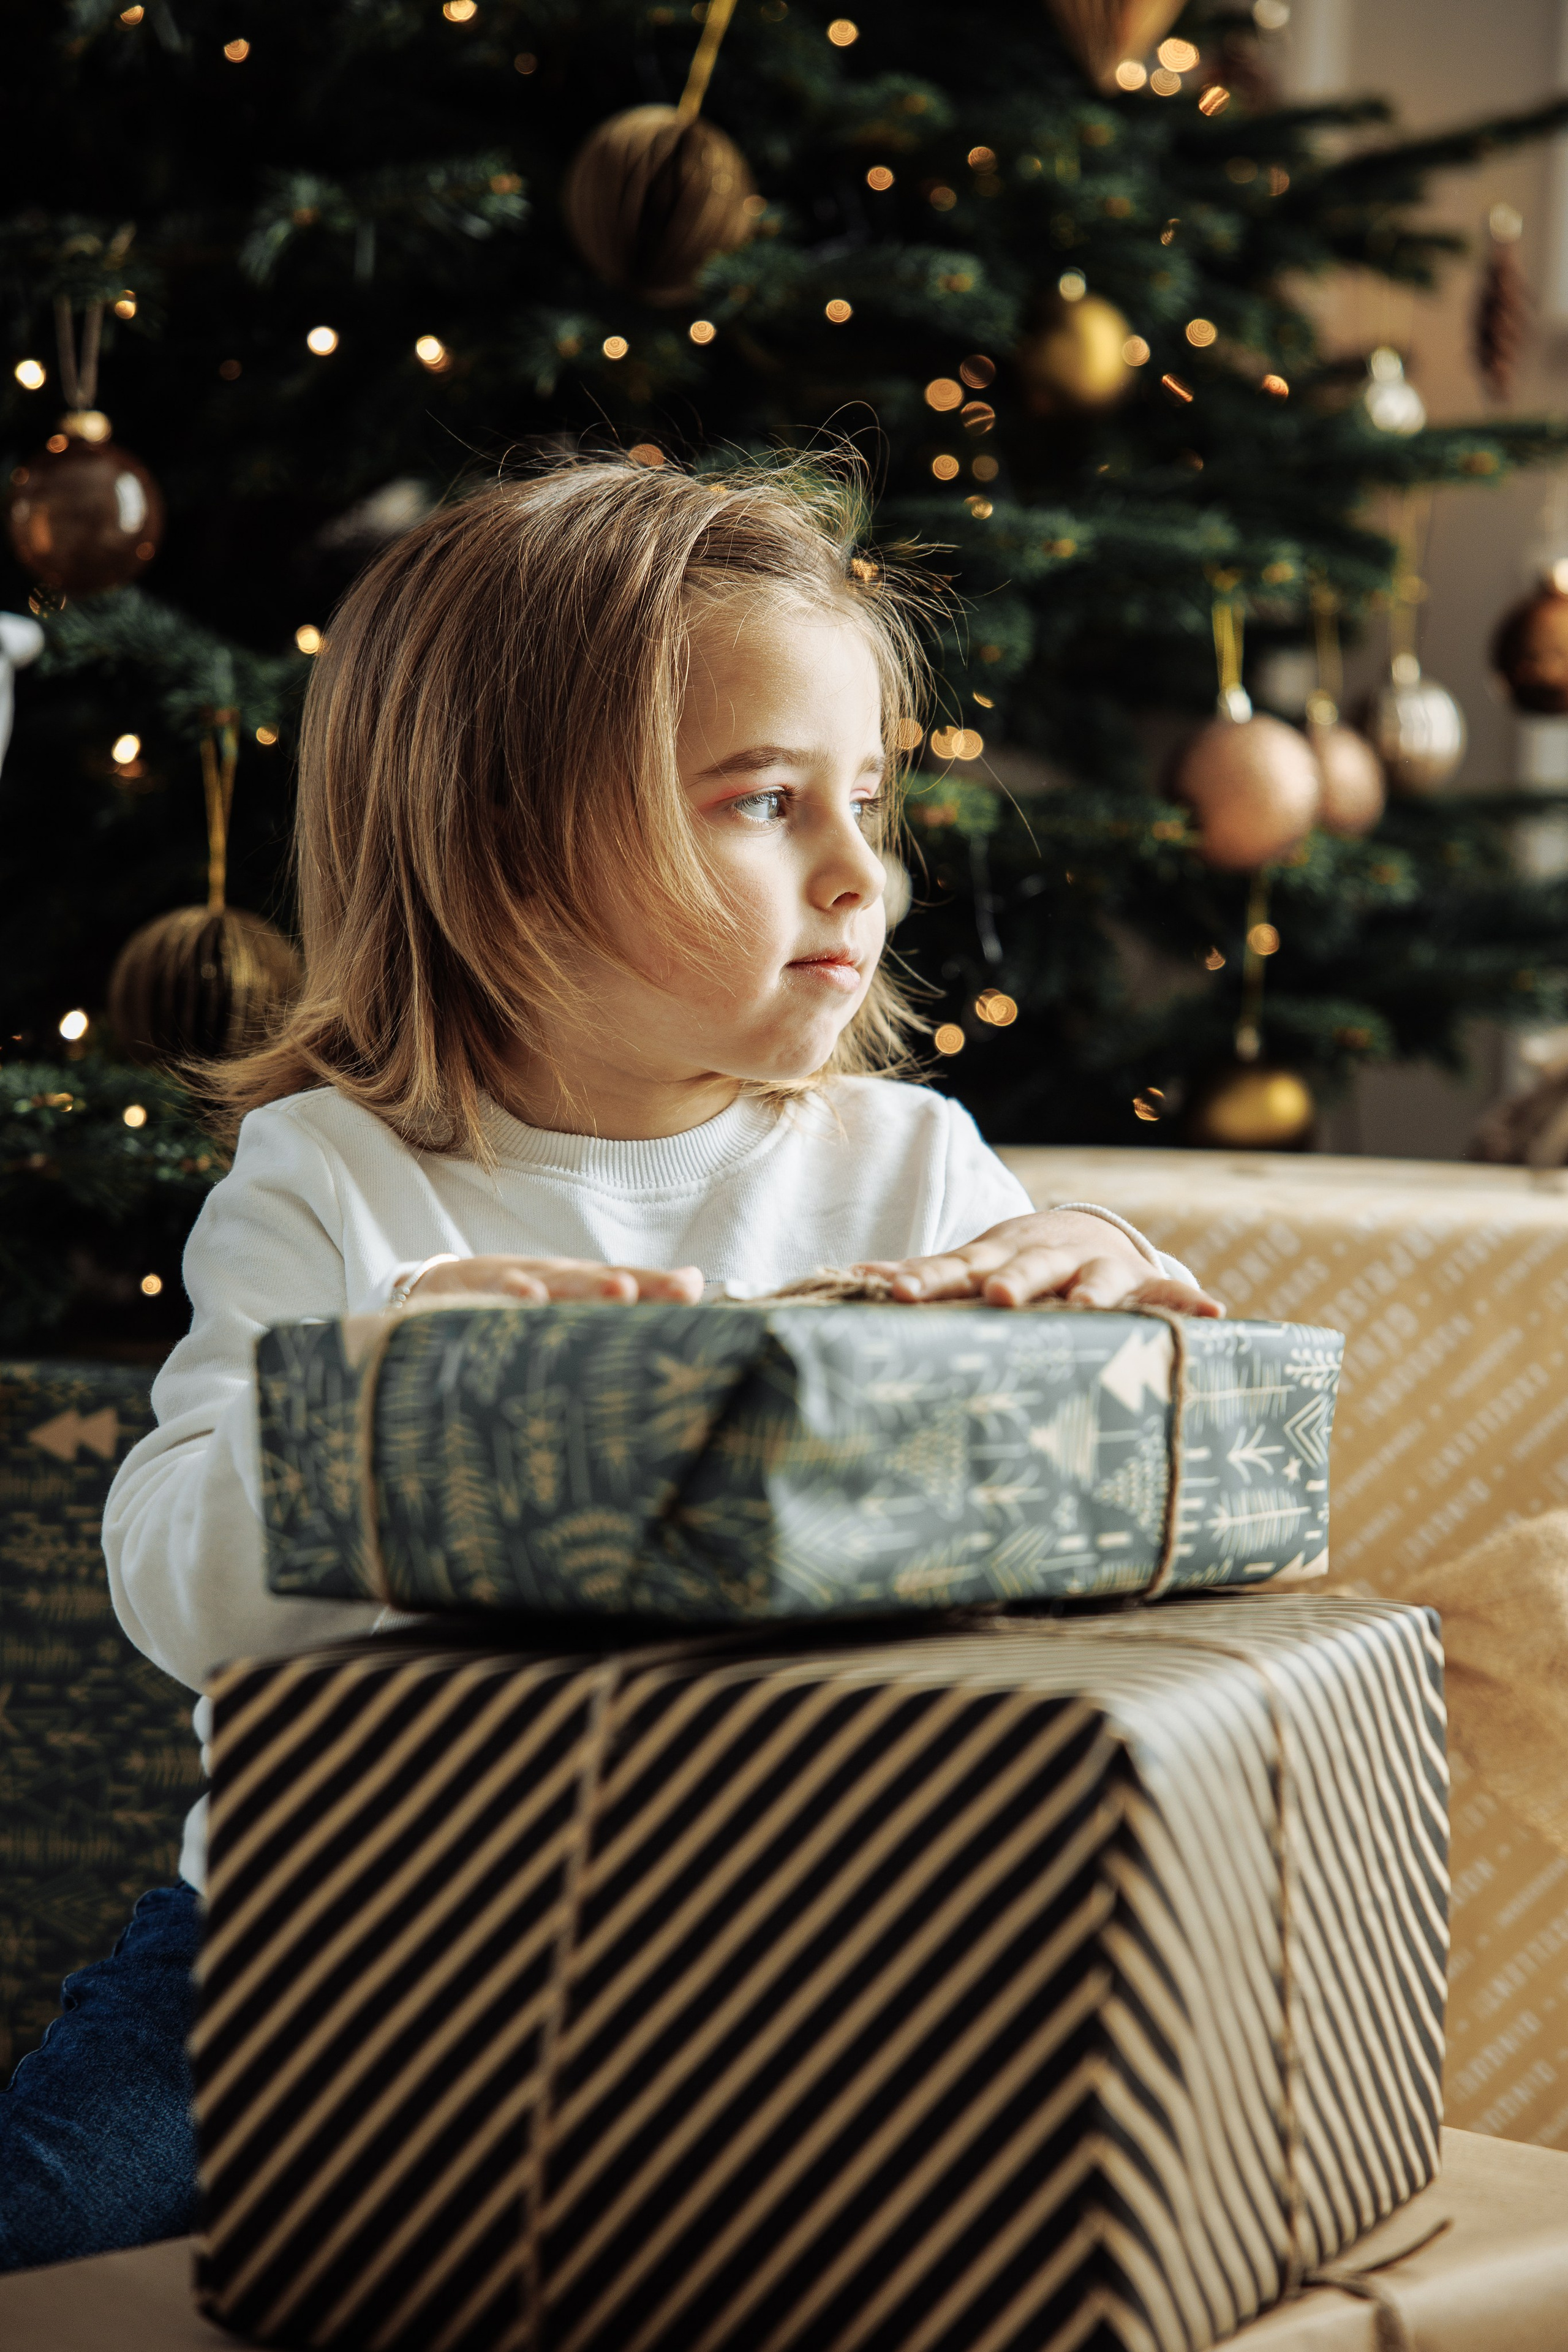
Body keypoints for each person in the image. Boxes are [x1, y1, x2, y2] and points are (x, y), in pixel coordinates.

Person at [0, 451, 1219, 2269]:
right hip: (319, 1970)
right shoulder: (335, 1178)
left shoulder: (913, 1170)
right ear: (507, 842)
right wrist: (379, 1405)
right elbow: (177, 1585)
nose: (856, 870)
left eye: (867, 802)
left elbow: (1090, 1561)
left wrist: (1113, 1304)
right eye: (762, 803)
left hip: (772, 1982)